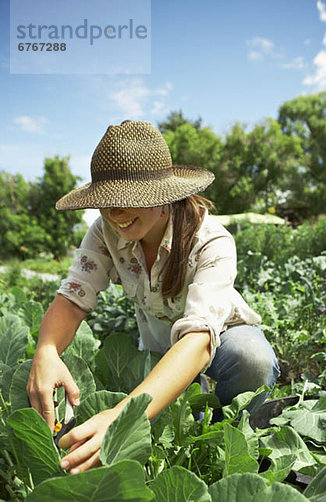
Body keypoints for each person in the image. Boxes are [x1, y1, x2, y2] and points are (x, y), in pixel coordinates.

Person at [26, 120, 280, 475]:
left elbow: (198, 339)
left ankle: (242, 446)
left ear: (164, 197)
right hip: (161, 351)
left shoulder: (212, 241)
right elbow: (73, 297)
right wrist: (47, 350)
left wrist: (122, 416)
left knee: (251, 358)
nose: (115, 215)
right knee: (166, 420)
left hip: (218, 346)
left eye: (128, 200)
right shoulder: (105, 233)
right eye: (106, 202)